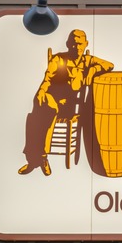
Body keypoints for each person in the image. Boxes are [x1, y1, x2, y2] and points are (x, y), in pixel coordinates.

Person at [18, 29, 114, 175]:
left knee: (37, 117)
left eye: (80, 44)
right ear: (68, 44)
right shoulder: (58, 59)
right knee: (37, 114)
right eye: (74, 44)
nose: (77, 47)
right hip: (52, 101)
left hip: (70, 107)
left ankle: (35, 160)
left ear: (86, 44)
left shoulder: (88, 61)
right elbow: (47, 80)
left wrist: (94, 70)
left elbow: (109, 65)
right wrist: (42, 92)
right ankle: (39, 158)